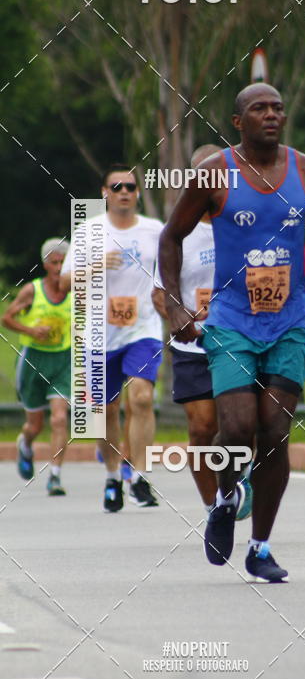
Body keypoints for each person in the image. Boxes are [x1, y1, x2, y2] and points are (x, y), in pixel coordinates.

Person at [159, 83, 305, 581]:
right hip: (231, 322)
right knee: (239, 427)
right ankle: (225, 499)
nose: (271, 115)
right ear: (238, 121)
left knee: (274, 431)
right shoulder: (214, 173)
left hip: (289, 323)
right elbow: (171, 236)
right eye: (258, 109)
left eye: (278, 108)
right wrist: (178, 305)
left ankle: (261, 547)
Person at [152, 144, 252, 521]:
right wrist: (177, 315)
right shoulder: (178, 232)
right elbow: (158, 292)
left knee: (245, 425)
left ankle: (242, 477)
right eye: (205, 173)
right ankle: (216, 510)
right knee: (202, 427)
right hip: (193, 345)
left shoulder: (244, 226)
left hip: (241, 340)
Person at [61, 166, 163, 512]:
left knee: (142, 398)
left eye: (130, 186)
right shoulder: (89, 230)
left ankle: (139, 477)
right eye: (116, 186)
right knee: (106, 410)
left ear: (137, 192)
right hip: (98, 333)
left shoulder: (154, 230)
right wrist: (96, 266)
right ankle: (112, 476)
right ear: (104, 192)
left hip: (142, 329)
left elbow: (169, 274)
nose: (124, 191)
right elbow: (64, 282)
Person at [2, 238, 71, 495]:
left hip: (63, 360)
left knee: (60, 418)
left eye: (63, 262)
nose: (59, 267)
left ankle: (54, 475)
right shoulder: (33, 291)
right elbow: (6, 318)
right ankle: (26, 443)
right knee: (35, 425)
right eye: (54, 262)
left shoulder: (75, 290)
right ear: (45, 264)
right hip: (34, 360)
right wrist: (31, 329)